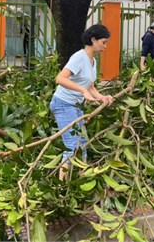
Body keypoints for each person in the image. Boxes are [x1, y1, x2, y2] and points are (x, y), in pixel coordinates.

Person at [49, 24, 115, 180]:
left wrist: (102, 97)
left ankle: (81, 181)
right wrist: (82, 91)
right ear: (93, 40)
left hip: (76, 106)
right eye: (103, 42)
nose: (105, 46)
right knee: (72, 146)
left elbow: (90, 86)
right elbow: (60, 79)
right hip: (63, 104)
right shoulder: (79, 57)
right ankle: (61, 186)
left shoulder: (93, 61)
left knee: (82, 143)